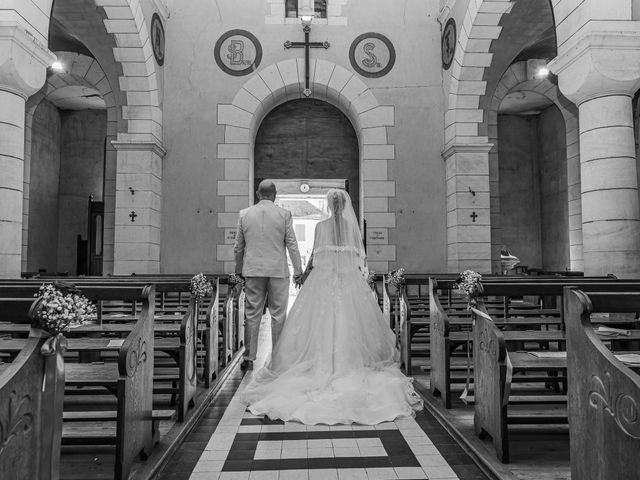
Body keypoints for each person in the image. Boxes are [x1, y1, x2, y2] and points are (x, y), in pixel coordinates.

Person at [241, 189, 423, 425]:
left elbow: (314, 258)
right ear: (345, 205)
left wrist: (303, 274)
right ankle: (350, 365)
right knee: (351, 323)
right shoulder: (352, 228)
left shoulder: (321, 227)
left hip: (323, 283)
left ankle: (298, 363)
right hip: (348, 284)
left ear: (329, 205)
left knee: (318, 325)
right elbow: (360, 260)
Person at [233, 180, 303, 371]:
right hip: (277, 271)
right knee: (279, 315)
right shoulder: (284, 214)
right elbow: (292, 244)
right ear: (274, 195)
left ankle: (248, 358)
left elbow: (238, 246)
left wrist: (239, 270)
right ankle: (278, 358)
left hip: (253, 270)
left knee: (252, 314)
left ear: (258, 193)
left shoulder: (244, 214)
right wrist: (298, 271)